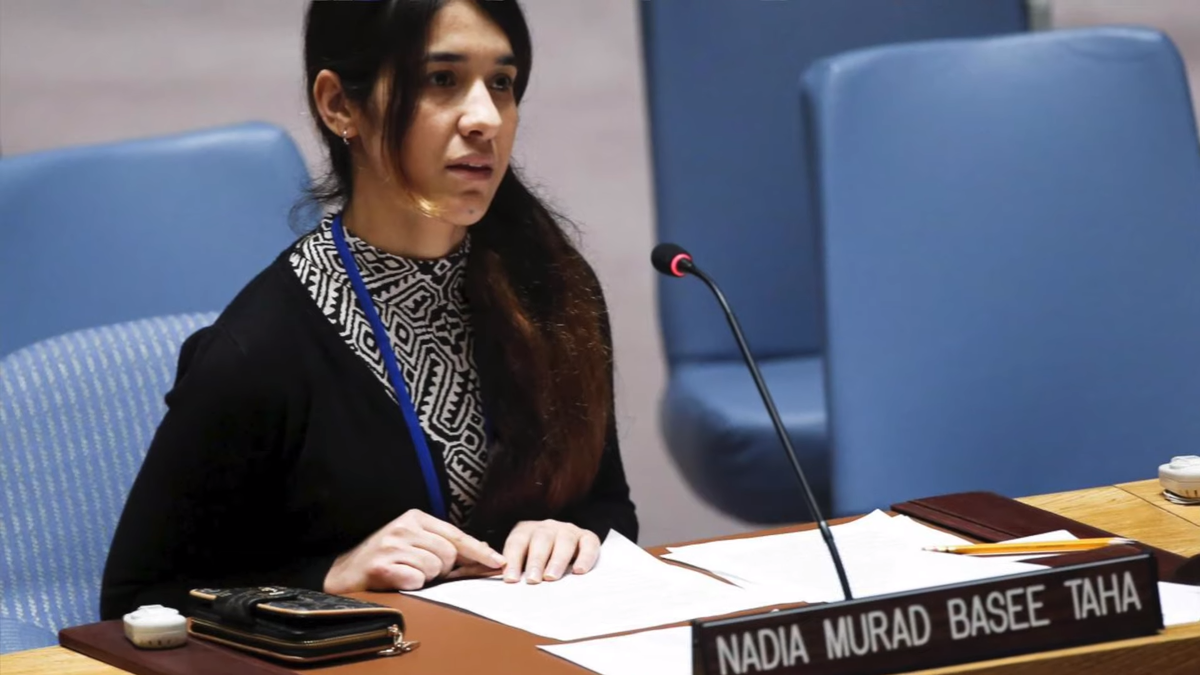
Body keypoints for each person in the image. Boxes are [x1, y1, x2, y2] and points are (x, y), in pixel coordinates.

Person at [100, 0, 637, 620]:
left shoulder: (552, 291)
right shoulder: (259, 351)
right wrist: (330, 577)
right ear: (340, 106)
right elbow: (133, 604)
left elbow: (607, 505)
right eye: (442, 79)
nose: (487, 118)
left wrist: (577, 534)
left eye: (501, 82)